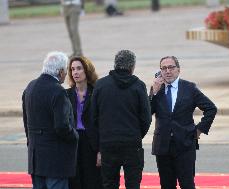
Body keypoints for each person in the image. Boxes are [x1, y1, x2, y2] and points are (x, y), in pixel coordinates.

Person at [150, 56, 217, 189]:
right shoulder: (157, 89)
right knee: (167, 185)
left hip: (185, 145)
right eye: (164, 68)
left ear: (178, 70)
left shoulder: (189, 88)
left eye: (171, 67)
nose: (167, 71)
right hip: (163, 146)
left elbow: (211, 108)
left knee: (187, 185)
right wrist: (154, 94)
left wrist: (199, 130)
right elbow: (147, 113)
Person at [92, 50, 152, 189]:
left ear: (115, 65)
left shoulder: (101, 85)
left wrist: (100, 141)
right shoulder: (138, 86)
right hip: (132, 143)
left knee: (109, 184)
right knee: (133, 184)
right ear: (132, 67)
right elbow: (146, 118)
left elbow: (93, 117)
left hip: (108, 143)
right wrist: (137, 134)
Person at [22, 51, 79, 189]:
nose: (66, 74)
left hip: (36, 158)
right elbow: (62, 126)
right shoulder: (58, 91)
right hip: (56, 160)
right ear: (60, 71)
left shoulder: (30, 87)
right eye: (65, 70)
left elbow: (26, 121)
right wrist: (75, 136)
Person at [66, 56, 102, 189]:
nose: (75, 72)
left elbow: (102, 124)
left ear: (87, 70)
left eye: (79, 68)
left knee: (92, 181)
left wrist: (101, 150)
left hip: (91, 143)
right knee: (75, 181)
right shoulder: (66, 94)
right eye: (72, 69)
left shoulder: (97, 93)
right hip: (73, 142)